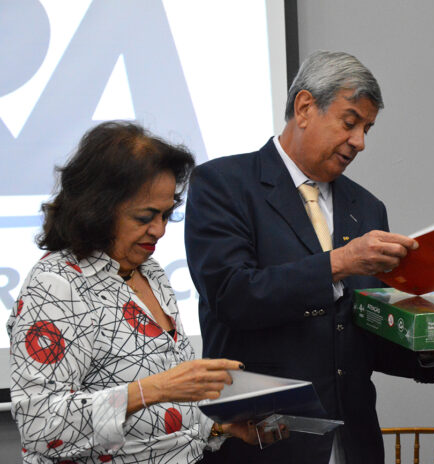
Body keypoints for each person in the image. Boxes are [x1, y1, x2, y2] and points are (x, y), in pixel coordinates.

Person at [184, 50, 434, 464]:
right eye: (350, 122)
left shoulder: (367, 207)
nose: (360, 142)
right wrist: (338, 263)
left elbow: (361, 332)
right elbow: (232, 296)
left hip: (353, 443)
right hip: (265, 445)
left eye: (367, 129)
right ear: (305, 107)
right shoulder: (223, 185)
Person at [7, 121, 264, 463]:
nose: (159, 230)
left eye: (167, 215)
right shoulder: (57, 284)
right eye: (145, 217)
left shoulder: (151, 271)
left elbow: (163, 417)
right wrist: (153, 389)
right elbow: (40, 427)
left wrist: (219, 427)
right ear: (97, 208)